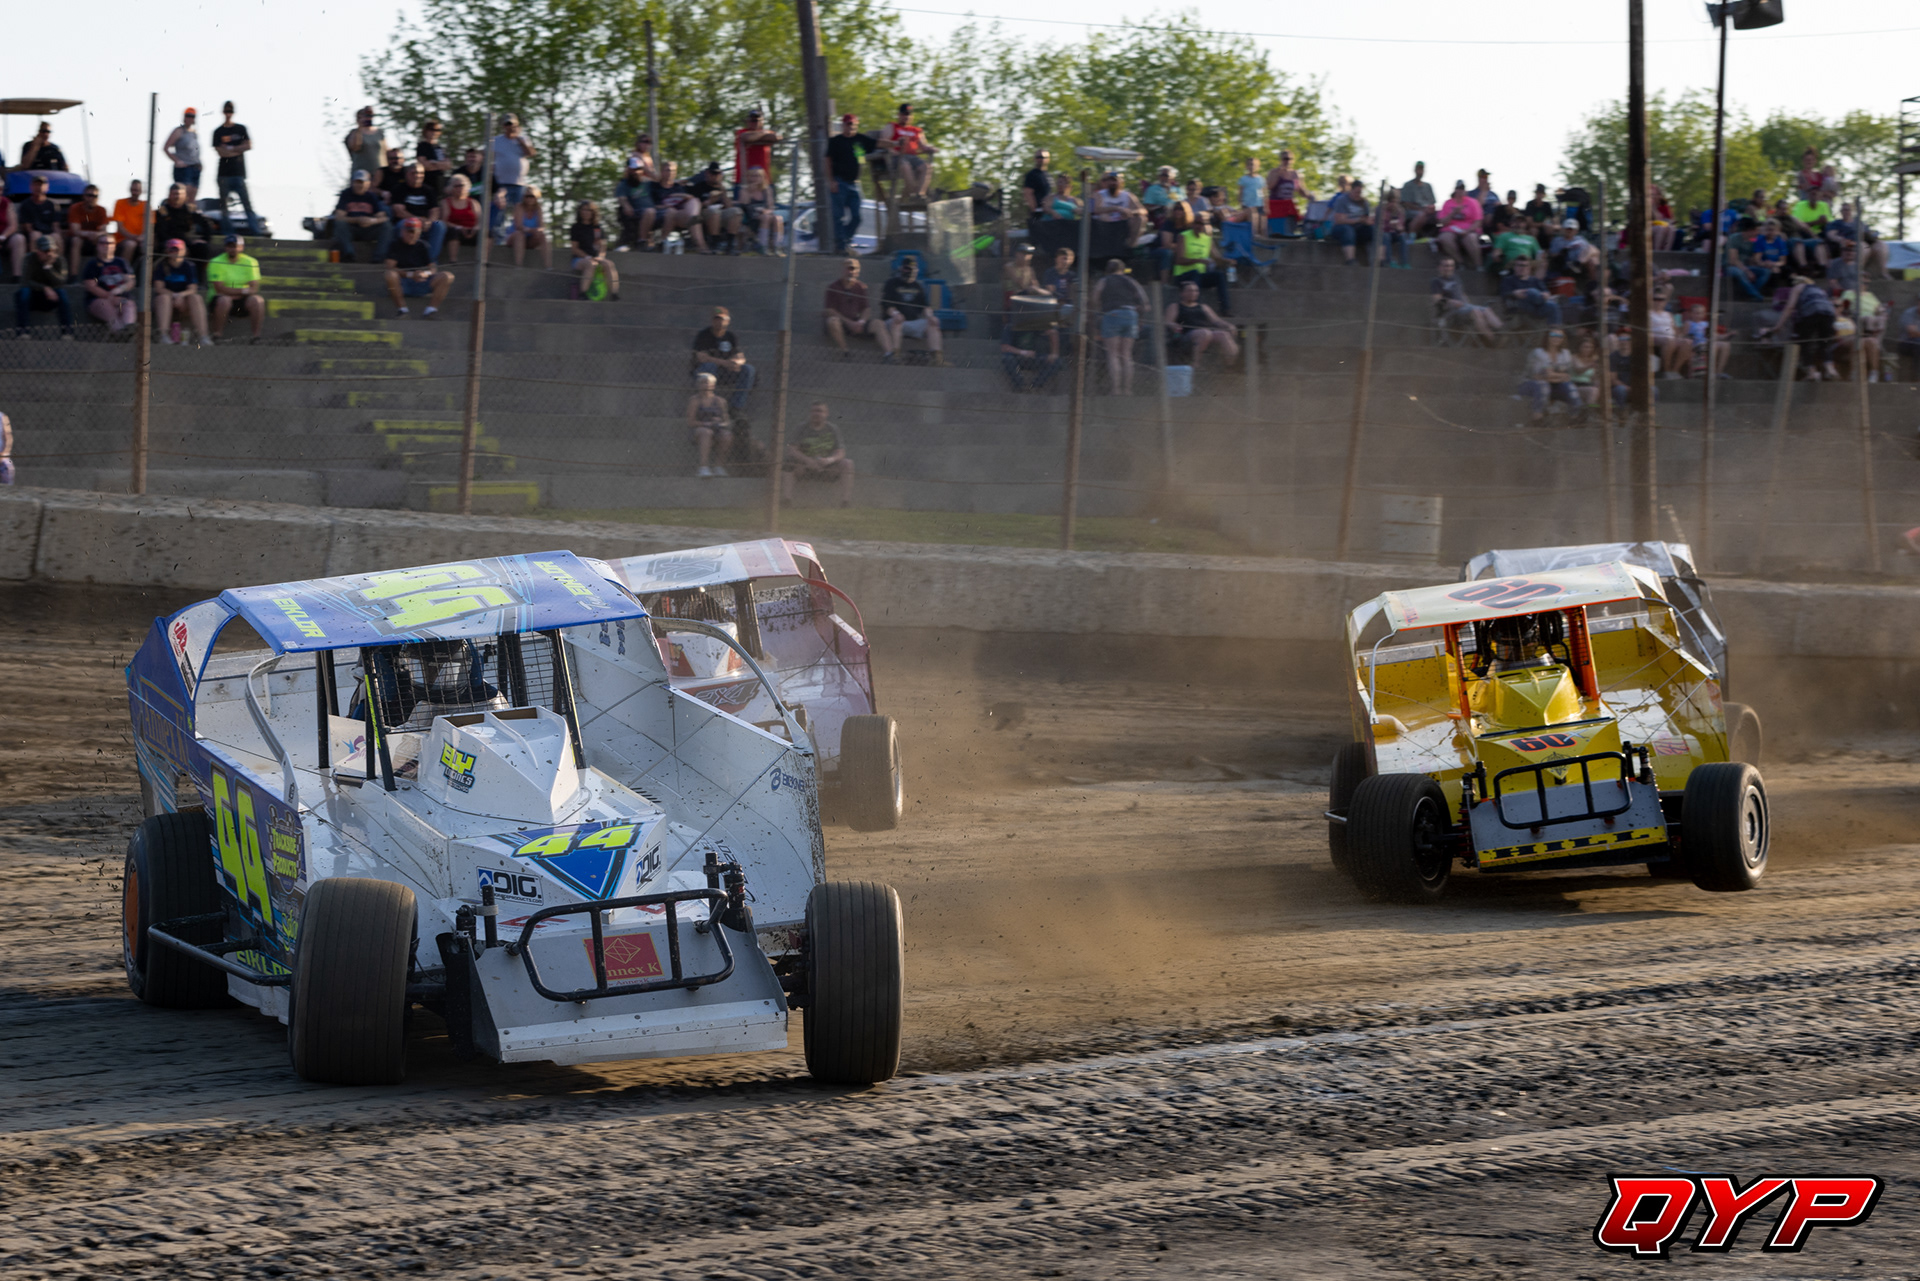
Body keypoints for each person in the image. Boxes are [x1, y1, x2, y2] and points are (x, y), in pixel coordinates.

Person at [783, 401, 855, 507]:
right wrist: (808, 460)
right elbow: (792, 449)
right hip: (805, 467)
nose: (816, 414)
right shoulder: (801, 428)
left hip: (827, 468)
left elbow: (841, 452)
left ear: (826, 413)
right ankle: (786, 501)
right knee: (788, 462)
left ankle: (845, 502)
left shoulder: (833, 429)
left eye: (819, 411)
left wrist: (829, 460)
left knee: (848, 463)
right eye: (813, 411)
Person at [1095, 257, 1149, 395]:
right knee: (1126, 355)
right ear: (1122, 269)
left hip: (1112, 314)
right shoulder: (1131, 281)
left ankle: (1116, 389)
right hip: (1130, 315)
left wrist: (1098, 311)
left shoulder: (1104, 280)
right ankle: (1128, 389)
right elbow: (1145, 302)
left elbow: (1094, 297)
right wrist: (1140, 318)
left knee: (1113, 355)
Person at [1772, 274, 1840, 381]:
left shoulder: (1798, 287)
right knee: (1825, 342)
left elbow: (1790, 307)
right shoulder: (1820, 290)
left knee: (1804, 342)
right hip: (1828, 313)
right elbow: (1830, 305)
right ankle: (1830, 369)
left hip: (1811, 312)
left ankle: (1812, 371)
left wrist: (1778, 325)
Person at [880, 255, 946, 364]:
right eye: (906, 268)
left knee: (933, 324)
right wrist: (895, 314)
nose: (909, 271)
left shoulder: (918, 286)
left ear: (916, 270)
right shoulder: (891, 283)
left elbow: (925, 306)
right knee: (897, 321)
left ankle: (937, 358)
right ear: (901, 269)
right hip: (894, 323)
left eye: (911, 269)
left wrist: (930, 316)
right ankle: (895, 355)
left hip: (913, 322)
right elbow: (886, 305)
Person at [385, 218, 454, 318]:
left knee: (447, 276)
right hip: (403, 282)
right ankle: (402, 309)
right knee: (389, 275)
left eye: (414, 231)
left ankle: (431, 310)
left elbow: (432, 268)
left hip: (421, 281)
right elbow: (389, 267)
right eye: (408, 231)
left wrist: (424, 274)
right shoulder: (395, 244)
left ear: (419, 233)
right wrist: (411, 274)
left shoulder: (423, 245)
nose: (411, 234)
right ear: (402, 231)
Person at [824, 257, 891, 357]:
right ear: (843, 270)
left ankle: (889, 354)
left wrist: (861, 322)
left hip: (856, 322)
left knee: (878, 323)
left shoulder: (860, 287)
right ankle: (845, 351)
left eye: (854, 269)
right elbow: (829, 310)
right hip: (842, 322)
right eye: (849, 268)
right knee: (832, 321)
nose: (851, 272)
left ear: (858, 272)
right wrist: (849, 322)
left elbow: (866, 309)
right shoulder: (833, 287)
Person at [826, 115, 875, 252]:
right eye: (848, 124)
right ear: (843, 125)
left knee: (857, 217)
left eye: (853, 124)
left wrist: (894, 144)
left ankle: (845, 239)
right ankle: (840, 246)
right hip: (839, 182)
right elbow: (827, 161)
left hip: (854, 184)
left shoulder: (859, 140)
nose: (851, 126)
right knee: (838, 216)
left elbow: (876, 144)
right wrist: (831, 181)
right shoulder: (836, 141)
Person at [692, 308, 755, 412]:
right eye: (716, 319)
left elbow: (740, 356)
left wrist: (736, 363)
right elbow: (702, 358)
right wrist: (725, 363)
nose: (719, 322)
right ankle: (712, 405)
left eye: (722, 319)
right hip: (705, 372)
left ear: (728, 321)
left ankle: (736, 407)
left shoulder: (730, 336)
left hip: (726, 372)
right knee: (710, 366)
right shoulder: (703, 335)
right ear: (712, 320)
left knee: (748, 369)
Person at [1165, 279, 1238, 366]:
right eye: (1190, 290)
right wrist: (1174, 325)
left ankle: (1230, 365)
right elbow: (1168, 322)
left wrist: (1229, 325)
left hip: (1206, 333)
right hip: (1186, 334)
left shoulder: (1204, 307)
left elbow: (1216, 321)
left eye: (1196, 291)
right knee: (1204, 333)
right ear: (1182, 293)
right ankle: (1196, 364)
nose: (1193, 293)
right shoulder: (1175, 306)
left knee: (1224, 334)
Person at [207, 234, 265, 342]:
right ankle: (217, 335)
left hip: (241, 300)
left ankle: (256, 337)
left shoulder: (250, 262)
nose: (232, 249)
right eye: (229, 246)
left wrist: (234, 292)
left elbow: (254, 288)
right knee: (225, 300)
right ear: (225, 247)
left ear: (241, 247)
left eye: (235, 246)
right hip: (220, 299)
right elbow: (219, 288)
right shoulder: (215, 262)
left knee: (257, 300)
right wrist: (243, 291)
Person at [152, 239, 210, 347]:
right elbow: (159, 288)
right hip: (167, 301)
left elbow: (193, 288)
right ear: (167, 251)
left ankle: (203, 336)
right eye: (172, 250)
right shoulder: (160, 266)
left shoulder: (189, 266)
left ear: (184, 251)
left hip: (184, 301)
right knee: (163, 298)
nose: (176, 252)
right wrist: (174, 295)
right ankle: (163, 335)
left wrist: (180, 295)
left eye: (178, 249)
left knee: (196, 298)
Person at [14, 237, 74, 338]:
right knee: (24, 292)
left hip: (49, 299)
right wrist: (44, 288)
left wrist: (48, 267)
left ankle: (67, 332)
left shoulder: (60, 260)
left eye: (52, 250)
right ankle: (23, 331)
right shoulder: (29, 258)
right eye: (46, 251)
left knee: (62, 293)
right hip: (32, 298)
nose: (50, 254)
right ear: (38, 251)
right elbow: (24, 282)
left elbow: (61, 282)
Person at [1431, 256, 1500, 342]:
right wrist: (1451, 301)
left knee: (1487, 310)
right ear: (1439, 267)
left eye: (1451, 265)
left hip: (1464, 307)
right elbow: (1436, 299)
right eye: (1446, 265)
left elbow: (1462, 294)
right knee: (1476, 312)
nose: (1448, 268)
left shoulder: (1456, 278)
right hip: (1450, 311)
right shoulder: (1436, 281)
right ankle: (1494, 341)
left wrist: (1469, 304)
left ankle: (1502, 333)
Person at [1170, 215, 1229, 314]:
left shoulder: (1208, 239)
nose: (1199, 226)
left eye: (1202, 224)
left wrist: (1227, 261)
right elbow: (1179, 260)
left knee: (1219, 275)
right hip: (1183, 276)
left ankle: (1226, 309)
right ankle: (1196, 310)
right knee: (1195, 273)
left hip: (1199, 276)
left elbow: (1217, 258)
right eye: (1197, 223)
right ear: (1193, 224)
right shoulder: (1183, 236)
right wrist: (1198, 260)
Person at [330, 170, 392, 263]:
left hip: (368, 229)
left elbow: (383, 218)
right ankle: (349, 254)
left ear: (368, 183)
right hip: (351, 230)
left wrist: (371, 221)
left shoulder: (372, 197)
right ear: (352, 183)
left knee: (387, 226)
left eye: (362, 182)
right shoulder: (346, 194)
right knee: (340, 225)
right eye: (357, 182)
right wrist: (357, 220)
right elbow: (339, 217)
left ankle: (379, 258)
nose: (360, 185)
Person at [1519, 329, 1579, 424]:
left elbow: (1568, 376)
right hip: (1530, 385)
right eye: (1553, 335)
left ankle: (1575, 417)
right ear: (1547, 336)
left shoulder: (1566, 354)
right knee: (1543, 385)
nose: (1556, 338)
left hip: (1554, 386)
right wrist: (1560, 375)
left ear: (1563, 339)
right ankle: (1537, 418)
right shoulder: (1538, 353)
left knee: (1570, 387)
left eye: (1560, 336)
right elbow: (1537, 377)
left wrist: (1552, 375)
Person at [211, 101, 255, 228]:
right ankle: (227, 231)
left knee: (247, 204)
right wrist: (236, 150)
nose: (228, 114)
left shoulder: (241, 129)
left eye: (230, 111)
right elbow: (220, 152)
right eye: (226, 111)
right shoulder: (218, 131)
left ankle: (255, 230)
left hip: (239, 173)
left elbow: (249, 145)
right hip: (223, 174)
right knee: (224, 206)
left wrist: (230, 149)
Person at [876, 103, 934, 199]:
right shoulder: (892, 126)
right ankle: (909, 192)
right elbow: (882, 142)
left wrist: (930, 148)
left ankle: (919, 194)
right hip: (896, 157)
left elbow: (923, 146)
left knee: (926, 167)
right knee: (906, 166)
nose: (906, 116)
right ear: (899, 115)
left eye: (909, 114)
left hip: (913, 157)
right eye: (904, 114)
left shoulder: (916, 130)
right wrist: (892, 148)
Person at [9, 176, 63, 279]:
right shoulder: (26, 204)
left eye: (42, 184)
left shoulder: (53, 204)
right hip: (34, 234)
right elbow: (27, 227)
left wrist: (58, 236)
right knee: (35, 235)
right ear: (31, 187)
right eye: (36, 184)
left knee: (57, 237)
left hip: (49, 234)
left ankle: (58, 270)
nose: (39, 187)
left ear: (47, 187)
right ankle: (35, 271)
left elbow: (55, 226)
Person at [1000, 304, 1062, 393]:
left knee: (1056, 361)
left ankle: (1035, 386)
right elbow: (1004, 347)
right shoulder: (1010, 326)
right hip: (1018, 358)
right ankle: (1021, 386)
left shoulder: (1035, 324)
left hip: (1035, 357)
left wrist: (1054, 353)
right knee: (1007, 358)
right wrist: (1023, 352)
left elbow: (1053, 333)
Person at [81, 239, 137, 334]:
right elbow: (90, 286)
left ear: (115, 246)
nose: (106, 245)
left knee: (128, 304)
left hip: (120, 298)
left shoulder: (121, 262)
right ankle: (118, 330)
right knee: (104, 305)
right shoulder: (92, 264)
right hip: (98, 300)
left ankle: (128, 329)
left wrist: (121, 289)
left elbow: (131, 281)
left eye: (110, 243)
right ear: (97, 246)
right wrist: (110, 297)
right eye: (103, 243)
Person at [652, 161, 708, 252]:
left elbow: (689, 199)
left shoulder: (678, 187)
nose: (670, 173)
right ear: (662, 172)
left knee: (694, 202)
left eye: (673, 171)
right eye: (668, 170)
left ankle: (701, 246)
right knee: (671, 211)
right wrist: (664, 206)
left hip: (680, 214)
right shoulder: (655, 187)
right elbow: (651, 206)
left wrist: (678, 195)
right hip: (662, 213)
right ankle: (662, 242)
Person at [567, 201, 617, 299]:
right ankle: (583, 293)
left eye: (588, 210)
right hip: (579, 259)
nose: (585, 212)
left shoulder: (597, 228)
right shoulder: (576, 227)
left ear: (593, 212)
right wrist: (587, 257)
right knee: (591, 264)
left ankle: (614, 294)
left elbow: (603, 247)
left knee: (609, 264)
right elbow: (574, 249)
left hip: (596, 258)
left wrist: (601, 257)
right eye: (583, 209)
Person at [687, 373, 733, 476]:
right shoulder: (694, 400)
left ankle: (719, 466)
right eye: (701, 383)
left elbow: (727, 421)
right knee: (706, 432)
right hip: (699, 429)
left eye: (707, 382)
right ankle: (703, 467)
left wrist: (719, 423)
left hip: (717, 428)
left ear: (713, 385)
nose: (704, 385)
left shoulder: (720, 401)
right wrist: (705, 423)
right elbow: (691, 422)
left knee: (727, 435)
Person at [152, 183, 211, 262]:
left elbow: (206, 223)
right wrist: (175, 245)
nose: (177, 197)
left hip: (187, 243)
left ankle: (197, 273)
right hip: (168, 244)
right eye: (174, 194)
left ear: (185, 195)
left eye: (180, 194)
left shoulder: (190, 210)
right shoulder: (162, 211)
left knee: (201, 248)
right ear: (169, 195)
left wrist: (204, 239)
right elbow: (161, 232)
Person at [1500, 254, 1561, 327]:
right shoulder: (1508, 280)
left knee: (1552, 306)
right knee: (1531, 292)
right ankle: (1549, 299)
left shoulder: (1535, 280)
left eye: (1525, 266)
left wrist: (1545, 295)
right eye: (1519, 265)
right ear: (1515, 267)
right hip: (1520, 306)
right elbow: (1503, 294)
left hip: (1537, 308)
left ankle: (1554, 332)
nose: (1522, 268)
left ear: (1529, 268)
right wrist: (1514, 293)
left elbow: (1546, 292)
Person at [491, 115, 537, 209]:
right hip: (501, 183)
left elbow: (531, 153)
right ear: (504, 126)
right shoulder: (496, 140)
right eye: (507, 124)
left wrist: (520, 141)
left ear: (517, 125)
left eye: (512, 124)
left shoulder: (523, 139)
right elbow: (485, 155)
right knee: (499, 211)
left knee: (519, 211)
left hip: (519, 184)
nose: (510, 127)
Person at [1435, 181, 1484, 270]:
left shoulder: (1473, 202)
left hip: (1469, 230)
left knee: (1470, 239)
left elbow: (1478, 222)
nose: (1460, 191)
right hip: (1451, 229)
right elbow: (1441, 222)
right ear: (1455, 190)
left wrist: (1467, 231)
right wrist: (1452, 213)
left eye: (1462, 189)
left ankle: (1478, 265)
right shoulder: (1447, 203)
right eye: (1458, 189)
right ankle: (1460, 262)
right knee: (1444, 238)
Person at [1090, 171, 1147, 247]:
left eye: (1115, 180)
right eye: (1110, 180)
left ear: (1121, 182)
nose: (1112, 183)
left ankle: (1131, 245)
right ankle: (1107, 244)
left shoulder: (1127, 195)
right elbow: (1095, 209)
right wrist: (1116, 208)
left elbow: (1143, 210)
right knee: (1103, 216)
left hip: (1122, 220)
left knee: (1140, 218)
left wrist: (1130, 212)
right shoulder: (1099, 194)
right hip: (1105, 222)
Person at [65, 185, 113, 275]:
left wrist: (96, 236)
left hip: (94, 240)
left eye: (95, 196)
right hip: (77, 240)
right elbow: (75, 230)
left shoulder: (101, 210)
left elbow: (104, 230)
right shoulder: (75, 208)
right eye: (89, 195)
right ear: (84, 196)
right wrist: (89, 234)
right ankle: (73, 275)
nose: (92, 198)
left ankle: (101, 274)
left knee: (104, 242)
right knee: (76, 241)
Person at [736, 166, 784, 255]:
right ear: (749, 177)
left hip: (765, 214)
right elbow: (744, 203)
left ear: (762, 177)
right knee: (766, 218)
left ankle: (777, 246)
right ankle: (763, 246)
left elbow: (771, 206)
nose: (755, 178)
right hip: (751, 217)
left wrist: (767, 211)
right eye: (753, 176)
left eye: (758, 176)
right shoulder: (744, 190)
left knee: (778, 218)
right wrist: (750, 191)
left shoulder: (767, 190)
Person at [1326, 179, 1373, 266]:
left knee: (1374, 230)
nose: (1358, 194)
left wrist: (1368, 221)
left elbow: (1366, 219)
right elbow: (1339, 220)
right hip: (1341, 229)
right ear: (1351, 190)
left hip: (1359, 229)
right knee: (1348, 230)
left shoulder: (1364, 202)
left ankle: (1378, 261)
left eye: (1360, 192)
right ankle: (1350, 260)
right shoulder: (1342, 200)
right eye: (1356, 192)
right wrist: (1357, 220)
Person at [615, 152, 656, 250]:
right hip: (637, 212)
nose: (636, 172)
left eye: (638, 169)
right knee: (650, 212)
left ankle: (663, 242)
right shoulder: (624, 184)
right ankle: (642, 241)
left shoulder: (647, 182)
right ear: (629, 170)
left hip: (654, 210)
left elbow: (659, 179)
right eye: (633, 169)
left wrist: (646, 168)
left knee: (670, 213)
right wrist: (626, 206)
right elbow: (622, 198)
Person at [440, 174, 483, 262]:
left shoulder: (474, 203)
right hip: (455, 230)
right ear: (452, 188)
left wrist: (475, 228)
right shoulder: (445, 202)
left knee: (487, 234)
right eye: (456, 186)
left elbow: (480, 221)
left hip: (471, 230)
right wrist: (459, 227)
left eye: (462, 186)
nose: (459, 188)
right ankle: (453, 260)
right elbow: (444, 221)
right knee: (453, 233)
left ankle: (482, 260)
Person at [163, 108, 204, 203]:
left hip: (195, 167)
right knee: (183, 195)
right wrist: (177, 160)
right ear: (184, 117)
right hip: (184, 169)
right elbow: (166, 148)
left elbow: (195, 151)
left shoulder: (194, 133)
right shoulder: (179, 131)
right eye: (188, 116)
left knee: (193, 195)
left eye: (192, 116)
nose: (190, 118)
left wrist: (200, 163)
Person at [1683, 302, 1732, 379]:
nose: (1699, 315)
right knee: (1711, 345)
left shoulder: (1706, 324)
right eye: (1696, 313)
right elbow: (1684, 335)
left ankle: (1718, 372)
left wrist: (1726, 336)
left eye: (1701, 313)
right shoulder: (1688, 323)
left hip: (1706, 343)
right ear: (1691, 314)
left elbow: (1714, 335)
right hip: (1695, 344)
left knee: (1725, 345)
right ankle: (1710, 373)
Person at [1266, 151, 1309, 238]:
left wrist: (1311, 196)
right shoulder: (1274, 172)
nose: (1287, 161)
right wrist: (1278, 174)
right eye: (1285, 159)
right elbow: (1269, 187)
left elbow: (1301, 190)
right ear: (1281, 160)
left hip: (1289, 207)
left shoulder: (1296, 174)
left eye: (1290, 159)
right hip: (1276, 205)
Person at [733, 109, 781, 184]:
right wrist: (762, 135)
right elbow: (747, 137)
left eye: (757, 120)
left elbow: (776, 137)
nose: (755, 123)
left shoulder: (766, 132)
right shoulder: (741, 132)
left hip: (764, 181)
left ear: (762, 121)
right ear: (747, 121)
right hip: (744, 180)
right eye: (752, 120)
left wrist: (756, 136)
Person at [509, 185, 550, 269]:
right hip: (515, 238)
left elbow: (542, 226)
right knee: (519, 235)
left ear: (536, 197)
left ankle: (548, 266)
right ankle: (518, 265)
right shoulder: (519, 207)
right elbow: (518, 226)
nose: (529, 199)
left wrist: (538, 230)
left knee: (542, 235)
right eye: (527, 196)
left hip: (530, 240)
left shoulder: (538, 209)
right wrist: (531, 230)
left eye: (532, 196)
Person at [344, 107, 388, 182]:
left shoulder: (380, 132)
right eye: (365, 116)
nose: (368, 118)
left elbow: (386, 150)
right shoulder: (354, 133)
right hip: (361, 175)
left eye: (370, 115)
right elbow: (355, 147)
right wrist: (360, 126)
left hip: (379, 174)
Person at [110, 180, 148, 266]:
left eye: (137, 190)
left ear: (141, 191)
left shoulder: (146, 205)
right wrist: (135, 238)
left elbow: (149, 226)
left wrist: (142, 237)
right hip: (123, 239)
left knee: (147, 247)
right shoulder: (120, 203)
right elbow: (120, 227)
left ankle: (146, 274)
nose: (135, 193)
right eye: (133, 190)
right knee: (130, 244)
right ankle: (124, 270)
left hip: (141, 239)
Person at [1400, 161, 1437, 240]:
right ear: (1414, 170)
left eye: (1421, 169)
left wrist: (1430, 209)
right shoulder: (1408, 185)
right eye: (1418, 169)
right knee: (1421, 215)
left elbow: (1433, 203)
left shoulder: (1428, 186)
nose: (1420, 172)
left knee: (1440, 214)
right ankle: (1411, 236)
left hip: (1428, 211)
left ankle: (1435, 238)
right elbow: (1405, 203)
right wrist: (1422, 209)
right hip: (1413, 211)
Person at [1020, 150, 1054, 227]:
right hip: (1038, 214)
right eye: (1038, 157)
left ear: (1048, 159)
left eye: (1043, 157)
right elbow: (1028, 193)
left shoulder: (1048, 175)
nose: (1041, 159)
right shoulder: (1032, 174)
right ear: (1035, 159)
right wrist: (1035, 210)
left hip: (1049, 212)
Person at [1377, 190, 1410, 268]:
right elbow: (1379, 226)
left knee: (1403, 236)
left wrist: (1398, 227)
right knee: (1386, 236)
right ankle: (1389, 261)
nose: (1393, 204)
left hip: (1394, 233)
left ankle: (1405, 262)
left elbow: (1401, 227)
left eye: (1396, 202)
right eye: (1391, 202)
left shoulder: (1400, 211)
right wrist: (1388, 224)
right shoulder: (1380, 210)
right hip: (1383, 233)